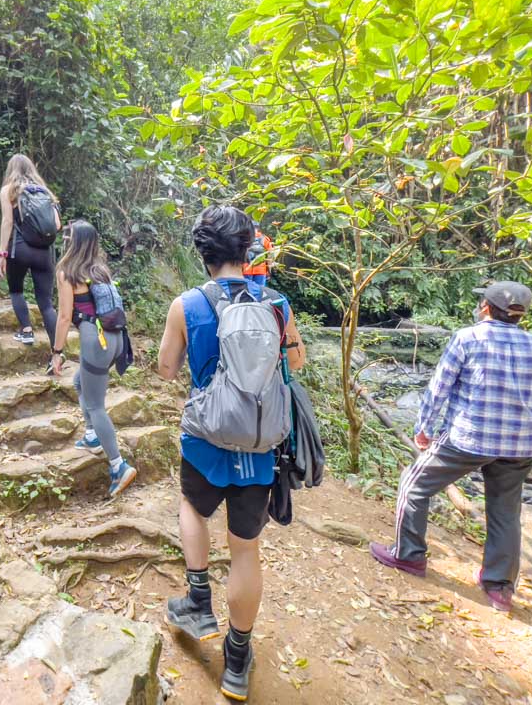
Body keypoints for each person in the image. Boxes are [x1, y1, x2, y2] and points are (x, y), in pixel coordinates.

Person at [158, 205, 305, 701]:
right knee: (245, 549)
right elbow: (296, 362)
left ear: (202, 253)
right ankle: (237, 662)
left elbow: (166, 369)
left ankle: (198, 601)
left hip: (205, 441)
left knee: (192, 507)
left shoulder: (187, 304)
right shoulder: (277, 304)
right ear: (248, 250)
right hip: (260, 447)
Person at [370, 281, 532, 613]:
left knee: (413, 486)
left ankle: (408, 555)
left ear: (485, 307)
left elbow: (439, 387)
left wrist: (423, 428)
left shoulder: (468, 338)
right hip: (520, 445)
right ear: (520, 314)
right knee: (505, 513)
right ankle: (499, 587)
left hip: (469, 438)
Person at [49, 220, 138, 498]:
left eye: (67, 236)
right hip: (116, 339)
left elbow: (65, 317)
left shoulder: (67, 272)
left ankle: (118, 465)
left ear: (72, 242)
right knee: (80, 382)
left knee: (96, 406)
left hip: (96, 341)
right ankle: (91, 436)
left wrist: (57, 352)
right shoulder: (100, 269)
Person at [0, 154, 60, 354]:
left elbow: (7, 221)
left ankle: (26, 331)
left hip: (20, 249)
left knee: (16, 291)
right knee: (46, 304)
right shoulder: (45, 192)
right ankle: (57, 352)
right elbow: (57, 225)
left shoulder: (9, 190)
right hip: (44, 253)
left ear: (11, 170)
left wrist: (2, 253)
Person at [242, 221, 273, 288]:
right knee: (260, 291)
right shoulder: (264, 239)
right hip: (261, 270)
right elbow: (270, 256)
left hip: (246, 269)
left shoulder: (244, 238)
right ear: (258, 228)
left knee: (247, 290)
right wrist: (269, 270)